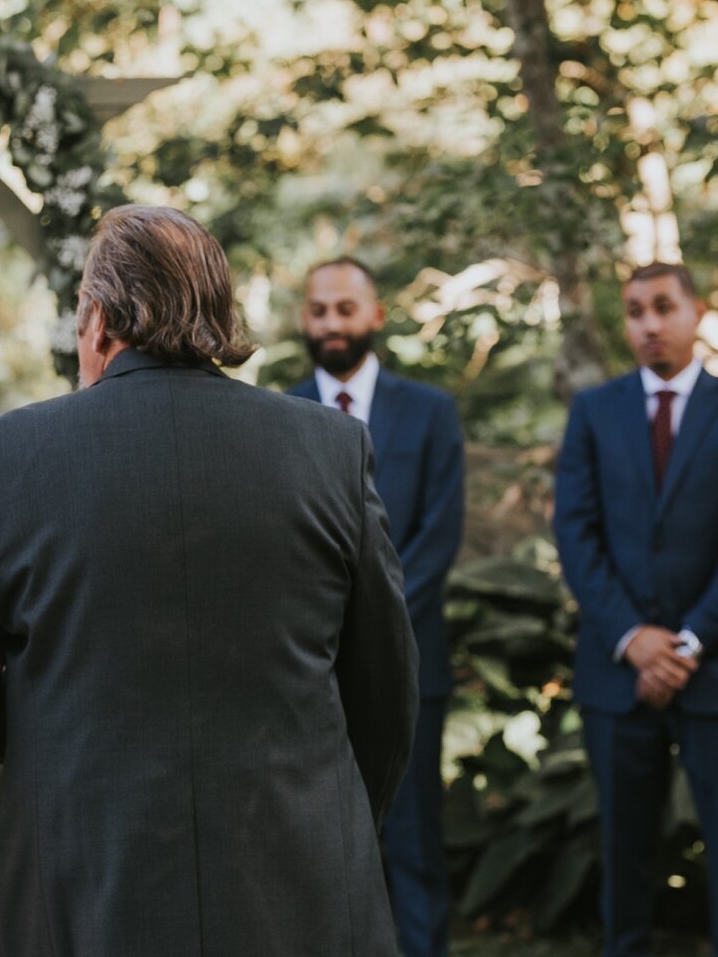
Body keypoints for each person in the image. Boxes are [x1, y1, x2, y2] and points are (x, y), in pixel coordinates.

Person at [0, 205, 418, 955]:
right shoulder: (329, 446)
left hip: (87, 860)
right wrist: (331, 812)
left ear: (97, 320)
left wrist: (60, 734)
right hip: (296, 861)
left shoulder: (6, 457)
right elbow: (384, 682)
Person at [552, 262, 718, 957]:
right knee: (624, 851)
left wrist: (684, 645)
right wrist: (632, 638)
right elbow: (576, 533)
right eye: (633, 311)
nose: (648, 324)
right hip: (616, 671)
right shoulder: (593, 412)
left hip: (715, 672)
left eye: (662, 307)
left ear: (697, 313)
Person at [287, 258, 465, 957]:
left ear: (375, 315)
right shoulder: (282, 411)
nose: (332, 323)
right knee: (316, 851)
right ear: (306, 319)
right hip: (306, 671)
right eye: (320, 310)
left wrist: (365, 626)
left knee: (415, 846)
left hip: (413, 666)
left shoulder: (432, 412)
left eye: (345, 308)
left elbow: (439, 536)